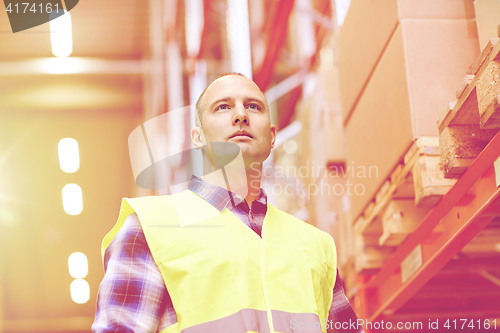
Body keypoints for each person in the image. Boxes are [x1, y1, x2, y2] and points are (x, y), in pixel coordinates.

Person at [92, 73, 364, 333]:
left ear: (272, 137)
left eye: (253, 106)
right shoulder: (150, 228)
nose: (241, 115)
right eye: (223, 107)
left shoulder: (316, 246)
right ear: (197, 138)